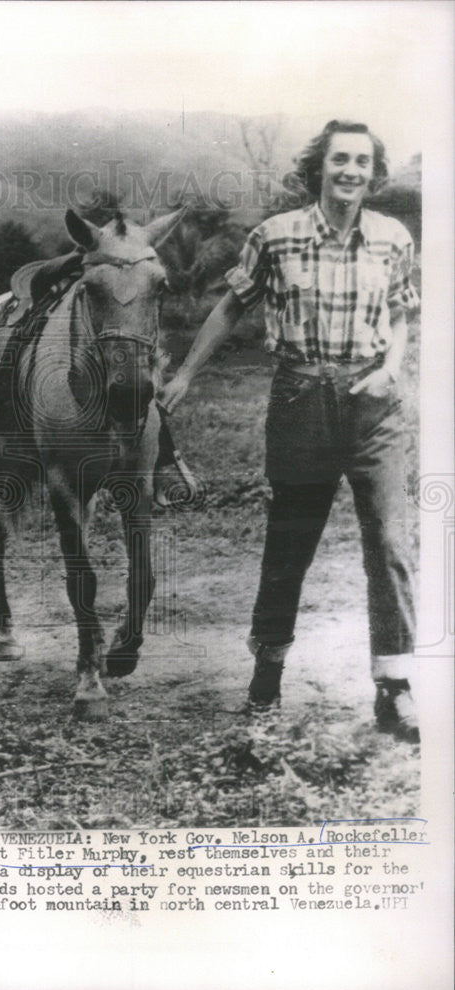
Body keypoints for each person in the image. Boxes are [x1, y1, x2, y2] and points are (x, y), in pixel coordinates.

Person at [159, 120, 420, 742]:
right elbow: (230, 305)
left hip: (373, 407)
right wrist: (185, 376)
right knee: (290, 544)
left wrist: (389, 367)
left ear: (373, 172)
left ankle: (394, 685)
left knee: (390, 544)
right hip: (302, 399)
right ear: (319, 169)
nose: (351, 171)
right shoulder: (276, 236)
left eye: (362, 161)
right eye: (340, 160)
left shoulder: (392, 237)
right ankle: (268, 674)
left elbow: (403, 313)